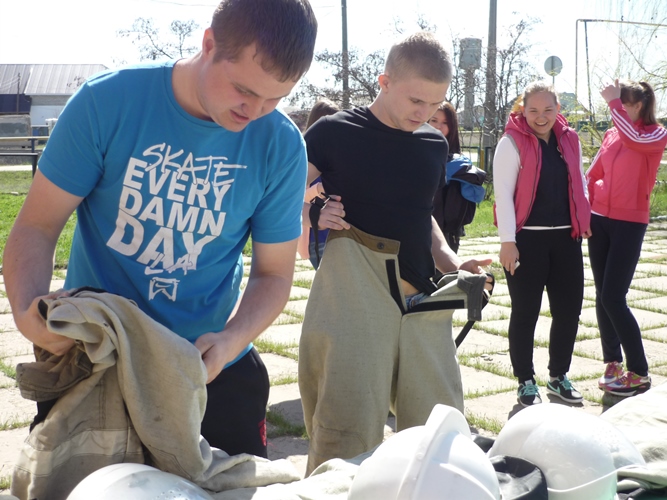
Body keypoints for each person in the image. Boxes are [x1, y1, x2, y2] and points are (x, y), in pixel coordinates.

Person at [2, 0, 317, 459]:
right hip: (96, 351)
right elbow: (37, 225)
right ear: (209, 43)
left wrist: (231, 340)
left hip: (206, 360)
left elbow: (273, 275)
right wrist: (27, 308)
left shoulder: (282, 145)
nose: (256, 110)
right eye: (243, 90)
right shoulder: (106, 102)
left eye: (277, 98)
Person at [298, 31, 492, 474]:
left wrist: (453, 262)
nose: (423, 114)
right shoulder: (333, 132)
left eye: (435, 105)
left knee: (440, 433)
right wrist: (314, 212)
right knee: (344, 432)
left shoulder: (432, 145)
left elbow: (422, 217)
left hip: (420, 301)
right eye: (415, 100)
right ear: (384, 81)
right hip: (354, 299)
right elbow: (284, 198)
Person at [493, 81, 591, 407]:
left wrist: (584, 218)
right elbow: (504, 197)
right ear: (522, 109)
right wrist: (508, 242)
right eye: (533, 110)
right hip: (526, 241)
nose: (541, 116)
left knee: (568, 311)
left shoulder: (570, 140)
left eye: (548, 109)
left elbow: (580, 181)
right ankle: (525, 382)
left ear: (557, 109)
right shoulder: (511, 143)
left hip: (566, 238)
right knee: (525, 313)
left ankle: (558, 376)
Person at [587, 79, 667, 397]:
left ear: (640, 106)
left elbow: (634, 139)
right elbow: (593, 173)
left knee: (613, 298)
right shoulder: (611, 134)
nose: (623, 109)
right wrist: (585, 207)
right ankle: (613, 363)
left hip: (629, 223)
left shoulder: (655, 135)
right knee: (602, 295)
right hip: (600, 220)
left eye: (627, 104)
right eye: (622, 104)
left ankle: (639, 372)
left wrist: (612, 104)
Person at [428, 102, 484, 254]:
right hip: (418, 227)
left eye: (445, 123)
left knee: (446, 275)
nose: (439, 126)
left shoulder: (458, 161)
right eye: (434, 120)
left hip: (447, 231)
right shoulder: (413, 151)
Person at [296, 98, 341, 268]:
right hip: (317, 237)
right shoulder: (305, 155)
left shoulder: (340, 154)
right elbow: (291, 194)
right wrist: (320, 189)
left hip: (339, 237)